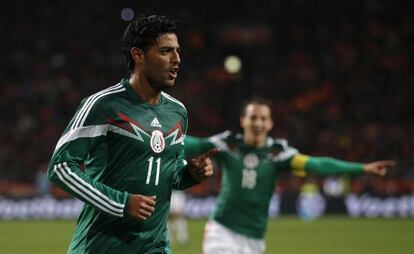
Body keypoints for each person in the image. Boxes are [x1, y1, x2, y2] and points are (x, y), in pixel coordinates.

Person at [47, 14, 218, 254]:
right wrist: (122, 203)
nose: (177, 59)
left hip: (155, 246)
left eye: (178, 51)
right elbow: (60, 168)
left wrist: (191, 173)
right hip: (101, 246)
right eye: (166, 51)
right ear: (138, 55)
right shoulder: (103, 105)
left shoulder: (177, 112)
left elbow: (171, 173)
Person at [184, 98, 395, 254]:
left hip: (255, 241)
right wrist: (159, 138)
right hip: (222, 232)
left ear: (270, 124)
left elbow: (318, 165)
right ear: (243, 120)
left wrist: (362, 169)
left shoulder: (279, 154)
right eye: (253, 117)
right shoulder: (227, 145)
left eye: (263, 119)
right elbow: (193, 144)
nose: (257, 123)